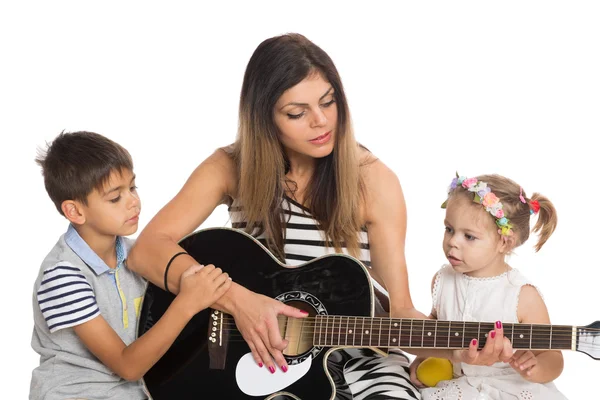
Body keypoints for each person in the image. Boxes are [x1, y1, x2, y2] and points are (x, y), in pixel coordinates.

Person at [127, 33, 426, 399]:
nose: (321, 121)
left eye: (328, 102)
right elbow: (147, 250)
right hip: (266, 361)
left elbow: (401, 309)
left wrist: (462, 349)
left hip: (363, 361)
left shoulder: (373, 179)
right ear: (264, 118)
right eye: (297, 113)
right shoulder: (230, 167)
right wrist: (239, 302)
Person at [30, 131, 232, 400]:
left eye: (133, 188)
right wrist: (188, 302)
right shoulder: (63, 275)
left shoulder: (137, 253)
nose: (133, 201)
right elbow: (128, 366)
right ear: (75, 211)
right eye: (115, 198)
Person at [409, 174, 567, 399]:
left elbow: (553, 357)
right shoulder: (442, 279)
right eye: (449, 229)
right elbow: (436, 326)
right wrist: (422, 357)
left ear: (504, 242)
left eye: (469, 236)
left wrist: (536, 368)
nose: (453, 241)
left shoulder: (521, 294)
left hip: (507, 386)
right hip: (458, 384)